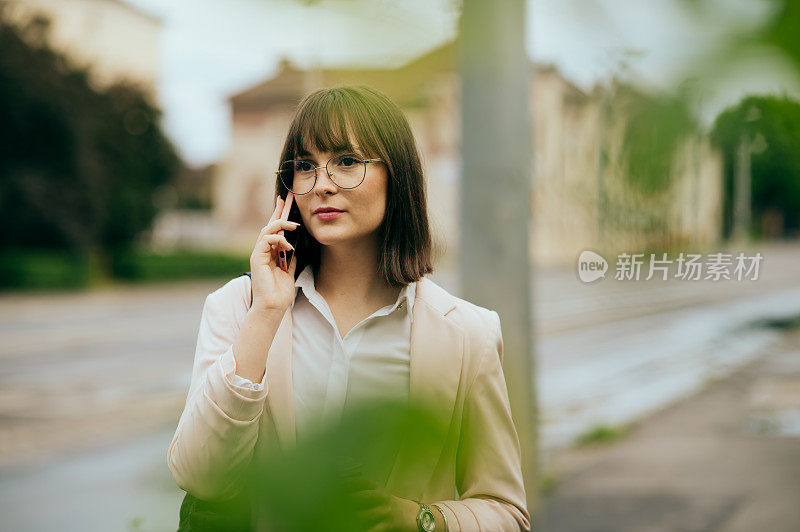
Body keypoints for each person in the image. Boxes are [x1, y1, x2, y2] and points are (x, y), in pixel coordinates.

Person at [167, 85, 530, 531]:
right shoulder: (239, 307)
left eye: (346, 161)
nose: (321, 185)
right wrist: (265, 315)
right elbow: (199, 475)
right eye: (305, 166)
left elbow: (507, 512)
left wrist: (416, 519)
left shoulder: (467, 333)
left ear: (397, 176)